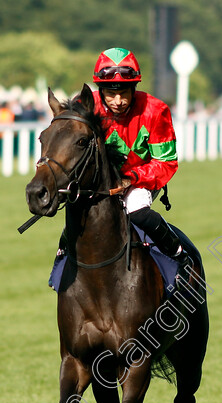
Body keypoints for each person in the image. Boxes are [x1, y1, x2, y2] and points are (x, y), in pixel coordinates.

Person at [83, 48, 189, 274]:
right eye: (111, 93)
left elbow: (166, 162)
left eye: (124, 92)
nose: (118, 101)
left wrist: (130, 178)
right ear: (100, 89)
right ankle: (63, 258)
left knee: (136, 209)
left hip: (140, 180)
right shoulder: (86, 107)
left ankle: (179, 254)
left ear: (134, 88)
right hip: (100, 181)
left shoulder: (155, 111)